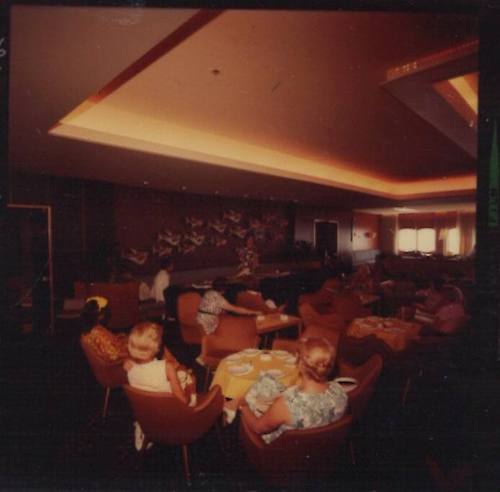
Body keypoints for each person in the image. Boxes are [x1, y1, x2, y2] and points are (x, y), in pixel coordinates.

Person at [230, 337, 348, 444]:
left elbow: (257, 427)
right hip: (321, 446)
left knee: (249, 398)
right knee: (267, 382)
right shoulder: (340, 391)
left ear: (300, 364)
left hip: (284, 452)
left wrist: (243, 405)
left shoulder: (286, 405)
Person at [124, 321, 196, 450]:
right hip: (172, 413)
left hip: (149, 412)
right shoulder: (166, 367)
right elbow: (182, 401)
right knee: (190, 377)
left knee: (181, 373)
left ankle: (142, 428)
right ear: (156, 348)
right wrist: (191, 389)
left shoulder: (129, 369)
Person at [196, 277, 261, 335]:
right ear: (224, 288)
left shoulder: (208, 293)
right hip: (208, 324)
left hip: (200, 322)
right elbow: (236, 309)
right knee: (235, 329)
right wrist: (254, 312)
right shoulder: (217, 297)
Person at [80, 296, 129, 363]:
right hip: (118, 365)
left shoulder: (89, 329)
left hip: (117, 349)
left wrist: (124, 338)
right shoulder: (97, 332)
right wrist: (132, 349)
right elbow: (114, 355)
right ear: (100, 315)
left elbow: (111, 343)